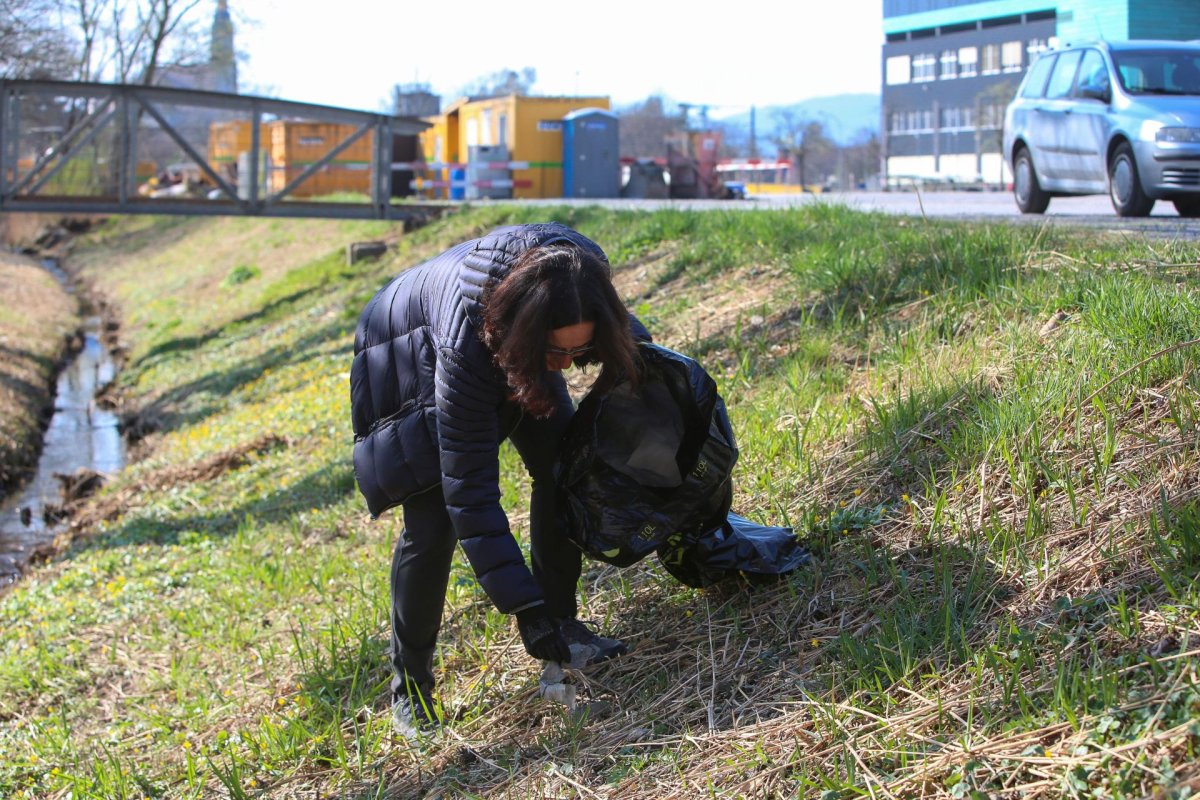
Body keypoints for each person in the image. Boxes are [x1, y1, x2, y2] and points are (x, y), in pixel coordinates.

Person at [350, 222, 649, 737]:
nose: (566, 366)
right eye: (557, 355)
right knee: (433, 522)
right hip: (405, 344)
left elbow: (637, 355)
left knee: (563, 468)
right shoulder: (464, 353)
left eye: (575, 353)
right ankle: (410, 689)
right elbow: (470, 491)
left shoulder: (577, 283)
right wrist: (524, 607)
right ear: (528, 335)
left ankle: (565, 624)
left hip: (512, 329)